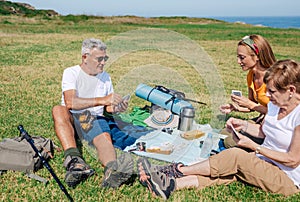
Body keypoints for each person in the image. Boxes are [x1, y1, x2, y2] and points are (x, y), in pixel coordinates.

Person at [137, 59, 300, 200]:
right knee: (227, 173)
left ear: (291, 90)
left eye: (272, 91)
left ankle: (177, 170)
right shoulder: (275, 105)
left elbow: (292, 159)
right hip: (265, 162)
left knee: (236, 156)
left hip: (286, 178)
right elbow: (265, 132)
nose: (268, 96)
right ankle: (169, 186)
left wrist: (255, 147)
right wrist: (244, 125)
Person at [52, 38, 133, 188]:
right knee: (58, 109)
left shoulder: (105, 77)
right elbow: (70, 102)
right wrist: (103, 99)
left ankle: (111, 170)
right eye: (99, 59)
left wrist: (116, 108)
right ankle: (75, 161)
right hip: (71, 117)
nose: (103, 62)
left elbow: (107, 108)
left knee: (103, 137)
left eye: (105, 58)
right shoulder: (71, 73)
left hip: (92, 118)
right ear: (85, 57)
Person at [219, 34, 276, 148]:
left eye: (242, 57)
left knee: (230, 142)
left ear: (257, 56)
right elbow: (252, 105)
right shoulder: (251, 75)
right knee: (224, 133)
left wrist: (249, 104)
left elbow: (278, 113)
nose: (238, 61)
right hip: (263, 120)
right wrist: (236, 107)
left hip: (275, 126)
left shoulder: (274, 79)